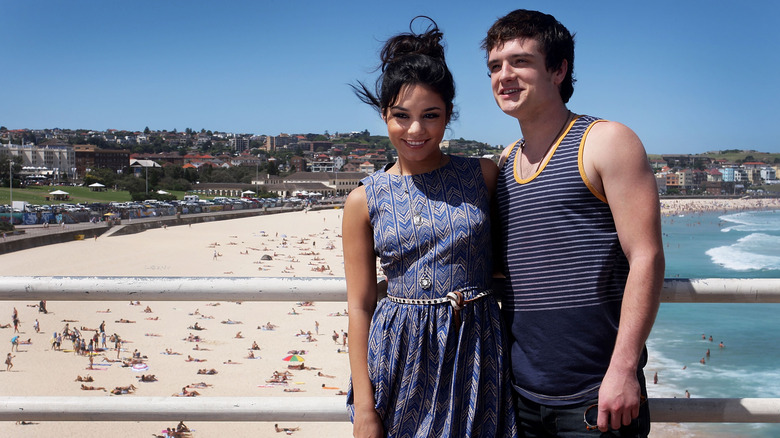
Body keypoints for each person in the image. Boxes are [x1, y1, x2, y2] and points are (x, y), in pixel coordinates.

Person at [484, 9, 665, 437]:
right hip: (522, 394)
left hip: (596, 396)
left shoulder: (606, 141)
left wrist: (622, 370)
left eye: (520, 61)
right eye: (494, 66)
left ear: (559, 69)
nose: (503, 75)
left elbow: (647, 256)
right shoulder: (506, 161)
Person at [344, 16, 516, 438]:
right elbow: (360, 306)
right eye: (401, 116)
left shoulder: (483, 175)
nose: (416, 130)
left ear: (448, 115)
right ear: (384, 114)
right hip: (400, 357)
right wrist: (365, 410)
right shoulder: (364, 200)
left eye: (431, 115)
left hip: (476, 351)